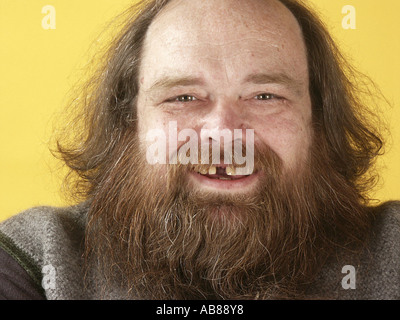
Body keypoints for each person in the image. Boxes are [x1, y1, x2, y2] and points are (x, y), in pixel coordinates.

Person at [0, 0, 398, 300]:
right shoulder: (37, 259)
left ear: (319, 124)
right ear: (129, 125)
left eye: (265, 95)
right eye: (184, 97)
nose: (223, 132)